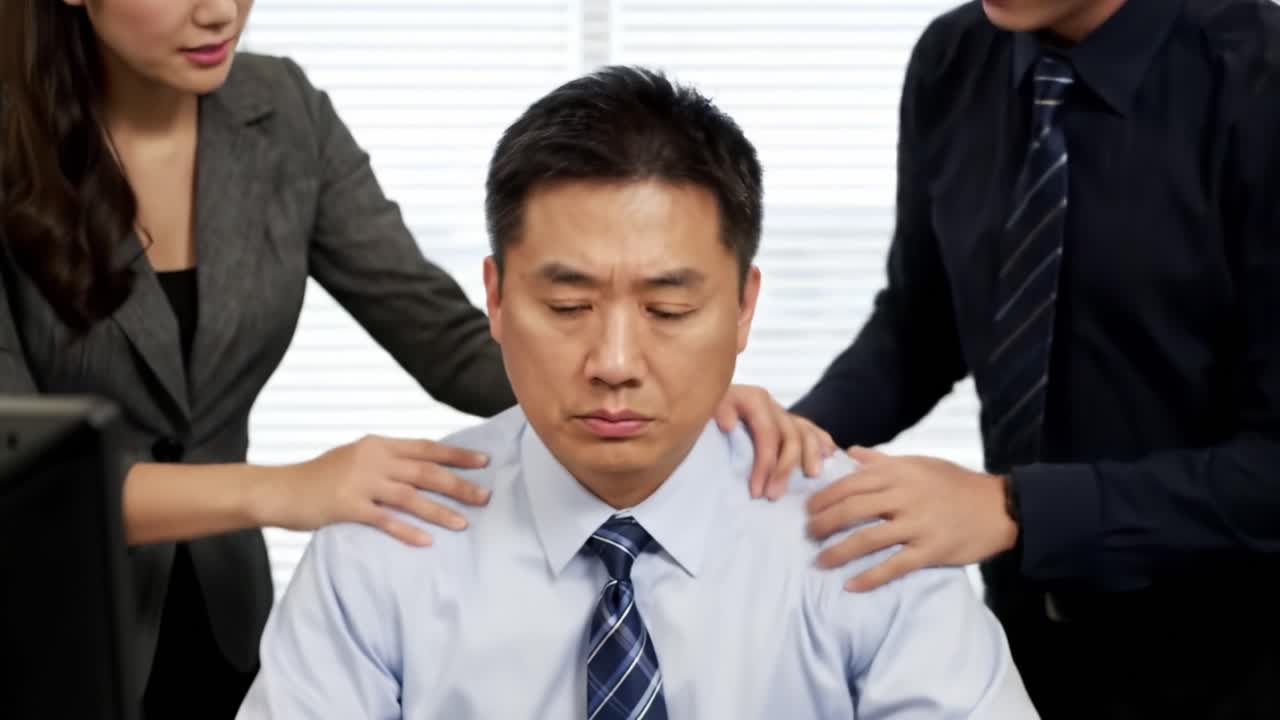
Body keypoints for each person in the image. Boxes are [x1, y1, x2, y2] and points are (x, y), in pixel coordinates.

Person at [0, 2, 830, 717]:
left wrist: (656, 386)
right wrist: (284, 489)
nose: (220, 12)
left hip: (214, 613)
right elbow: (20, 470)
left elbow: (445, 333)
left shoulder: (280, 114)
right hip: (42, 618)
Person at [236, 64, 1038, 720]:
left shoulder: (864, 541)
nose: (615, 361)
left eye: (668, 309)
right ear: (497, 297)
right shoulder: (381, 547)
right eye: (568, 307)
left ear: (744, 306)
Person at [788, 0, 1280, 717]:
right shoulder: (952, 60)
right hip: (1021, 646)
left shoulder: (1258, 79)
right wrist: (787, 435)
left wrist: (1015, 507)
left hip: (1235, 661)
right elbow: (922, 328)